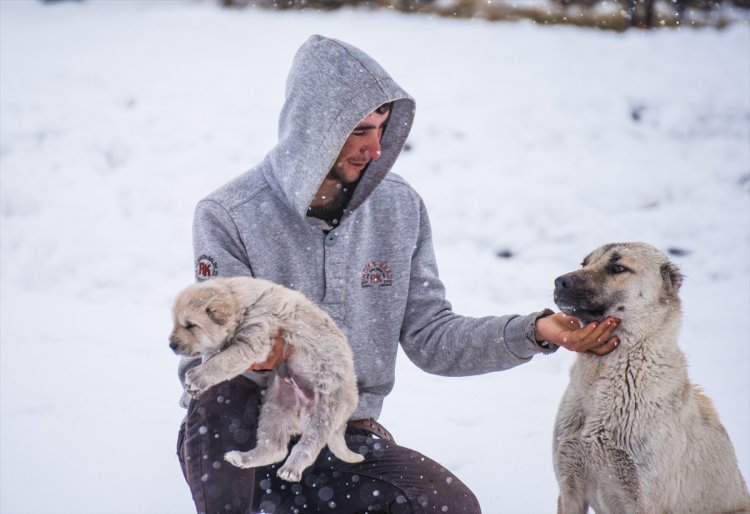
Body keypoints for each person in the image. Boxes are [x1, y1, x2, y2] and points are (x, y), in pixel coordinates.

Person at [176, 35, 619, 514]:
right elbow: (210, 348)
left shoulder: (399, 208)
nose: (375, 148)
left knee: (449, 505)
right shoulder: (228, 213)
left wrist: (533, 332)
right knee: (224, 390)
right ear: (314, 128)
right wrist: (262, 352)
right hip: (240, 432)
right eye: (361, 130)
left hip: (342, 435)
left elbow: (431, 336)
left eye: (383, 129)